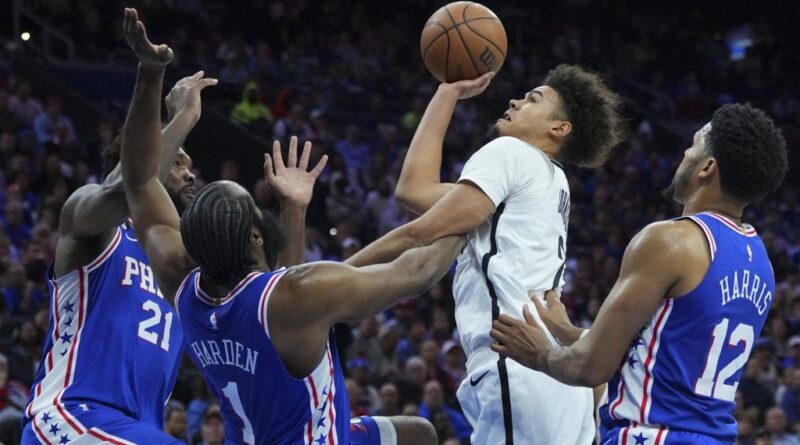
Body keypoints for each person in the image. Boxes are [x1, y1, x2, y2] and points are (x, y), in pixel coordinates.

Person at [118, 8, 458, 444]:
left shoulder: (179, 281)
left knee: (419, 434)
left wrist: (151, 76)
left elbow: (139, 178)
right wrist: (471, 209)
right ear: (256, 235)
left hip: (265, 429)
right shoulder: (299, 295)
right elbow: (417, 273)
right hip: (315, 438)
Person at [347, 66, 623, 445]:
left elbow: (420, 232)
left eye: (533, 99)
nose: (516, 100)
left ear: (559, 128)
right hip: (556, 376)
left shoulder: (510, 152)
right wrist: (447, 94)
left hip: (518, 362)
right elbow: (414, 190)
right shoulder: (549, 180)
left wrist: (324, 281)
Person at [490, 104, 788, 444]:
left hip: (653, 435)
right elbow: (666, 355)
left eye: (693, 145)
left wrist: (541, 352)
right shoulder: (761, 262)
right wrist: (567, 331)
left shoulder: (670, 240)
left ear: (707, 168)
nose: (684, 153)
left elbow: (589, 369)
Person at [20, 65, 215, 442]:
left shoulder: (184, 267)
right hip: (72, 417)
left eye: (191, 166)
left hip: (137, 431)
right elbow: (127, 186)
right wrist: (182, 115)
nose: (190, 174)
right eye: (177, 161)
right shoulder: (98, 228)